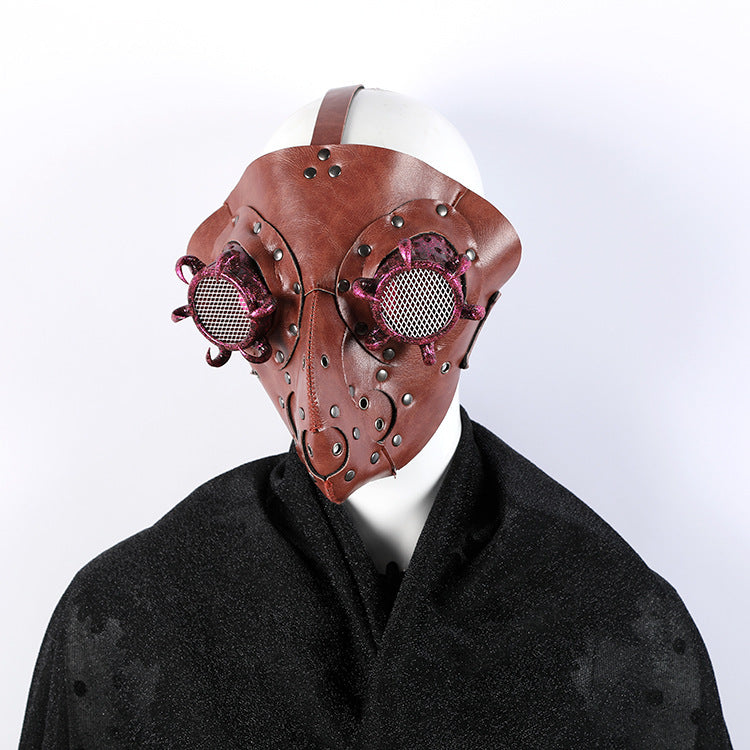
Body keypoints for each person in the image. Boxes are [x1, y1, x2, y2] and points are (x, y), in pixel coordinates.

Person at [20, 85, 733, 749]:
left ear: (473, 300)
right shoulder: (127, 621)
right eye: (272, 296)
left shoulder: (623, 631)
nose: (318, 358)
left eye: (408, 297)